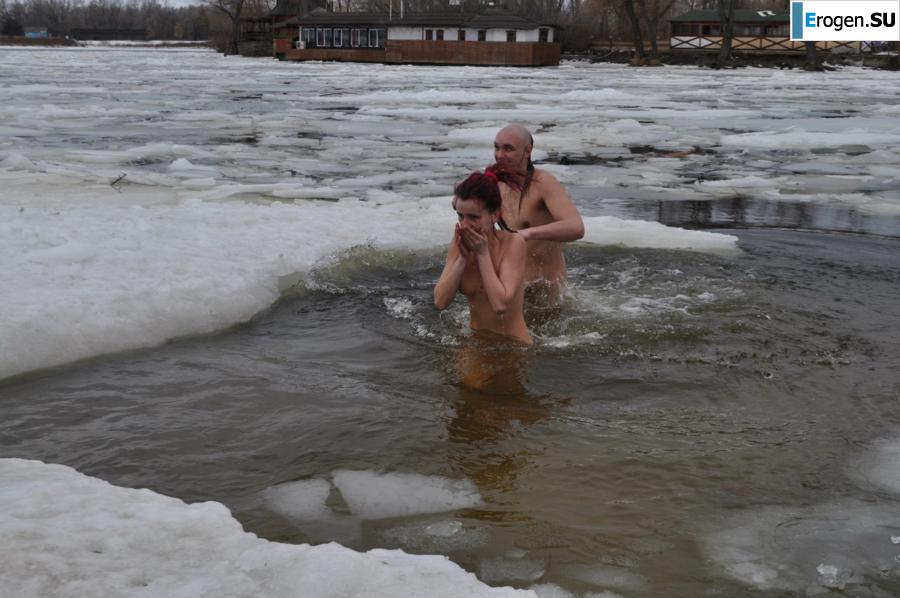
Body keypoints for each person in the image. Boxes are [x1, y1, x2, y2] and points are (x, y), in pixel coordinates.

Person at [434, 169, 531, 346]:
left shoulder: (513, 243)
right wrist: (462, 260)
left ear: (494, 215)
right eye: (460, 216)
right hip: (477, 342)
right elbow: (440, 302)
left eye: (473, 217)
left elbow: (500, 305)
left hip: (515, 345)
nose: (465, 225)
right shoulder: (458, 243)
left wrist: (482, 253)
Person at [492, 124, 585, 300]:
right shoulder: (496, 184)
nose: (499, 155)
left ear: (527, 151)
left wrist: (526, 233)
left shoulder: (543, 183)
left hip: (546, 295)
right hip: (512, 287)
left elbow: (576, 227)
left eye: (508, 149)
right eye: (496, 147)